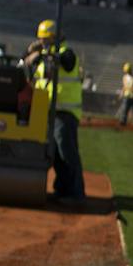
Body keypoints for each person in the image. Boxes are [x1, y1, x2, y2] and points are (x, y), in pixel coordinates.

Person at [24, 19, 86, 204]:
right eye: (41, 40)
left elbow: (66, 62)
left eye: (46, 39)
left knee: (67, 152)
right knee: (57, 154)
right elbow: (29, 65)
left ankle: (76, 193)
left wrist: (43, 54)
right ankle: (62, 189)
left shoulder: (66, 53)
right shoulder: (44, 54)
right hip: (49, 111)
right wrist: (31, 54)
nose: (42, 43)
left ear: (54, 38)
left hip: (65, 113)